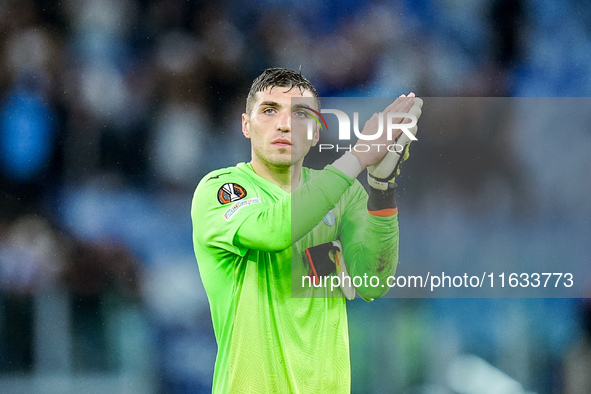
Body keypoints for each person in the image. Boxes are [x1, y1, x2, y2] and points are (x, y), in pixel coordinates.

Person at [191, 67, 419, 392]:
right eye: (269, 110)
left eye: (300, 114)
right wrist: (357, 157)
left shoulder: (345, 194)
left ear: (314, 132)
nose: (284, 124)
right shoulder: (221, 189)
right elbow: (274, 231)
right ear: (246, 125)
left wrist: (382, 186)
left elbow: (372, 282)